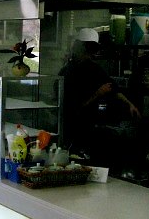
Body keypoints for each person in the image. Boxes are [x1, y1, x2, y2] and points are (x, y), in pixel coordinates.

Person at [59, 28, 140, 166]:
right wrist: (98, 94)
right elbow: (75, 107)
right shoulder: (70, 71)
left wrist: (129, 104)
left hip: (86, 124)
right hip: (76, 126)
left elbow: (112, 87)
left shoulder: (92, 69)